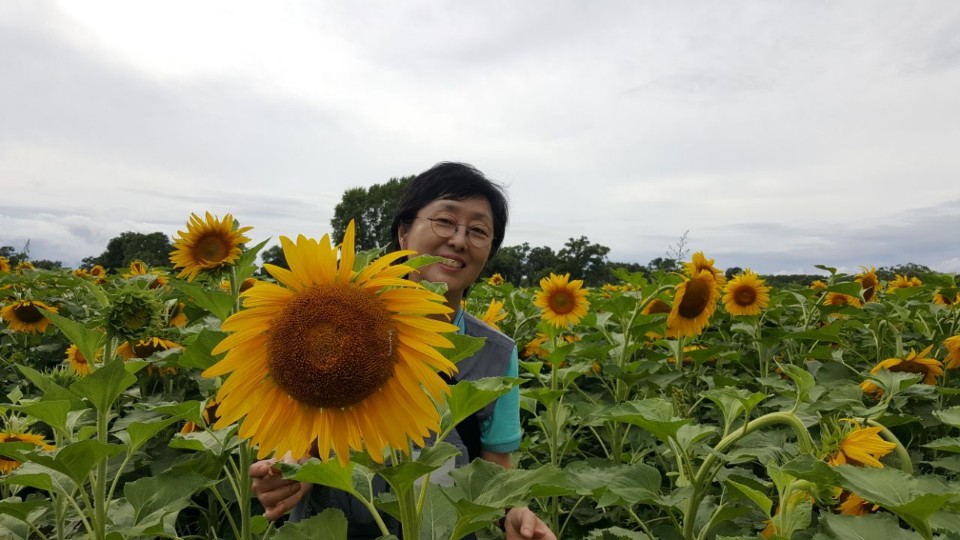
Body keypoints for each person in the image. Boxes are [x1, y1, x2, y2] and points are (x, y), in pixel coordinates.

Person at [250, 162, 556, 540]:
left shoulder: (495, 354)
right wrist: (293, 473)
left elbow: (495, 470)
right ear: (404, 231)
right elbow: (300, 438)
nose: (459, 240)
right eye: (445, 220)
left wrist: (514, 509)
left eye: (478, 231)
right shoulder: (330, 314)